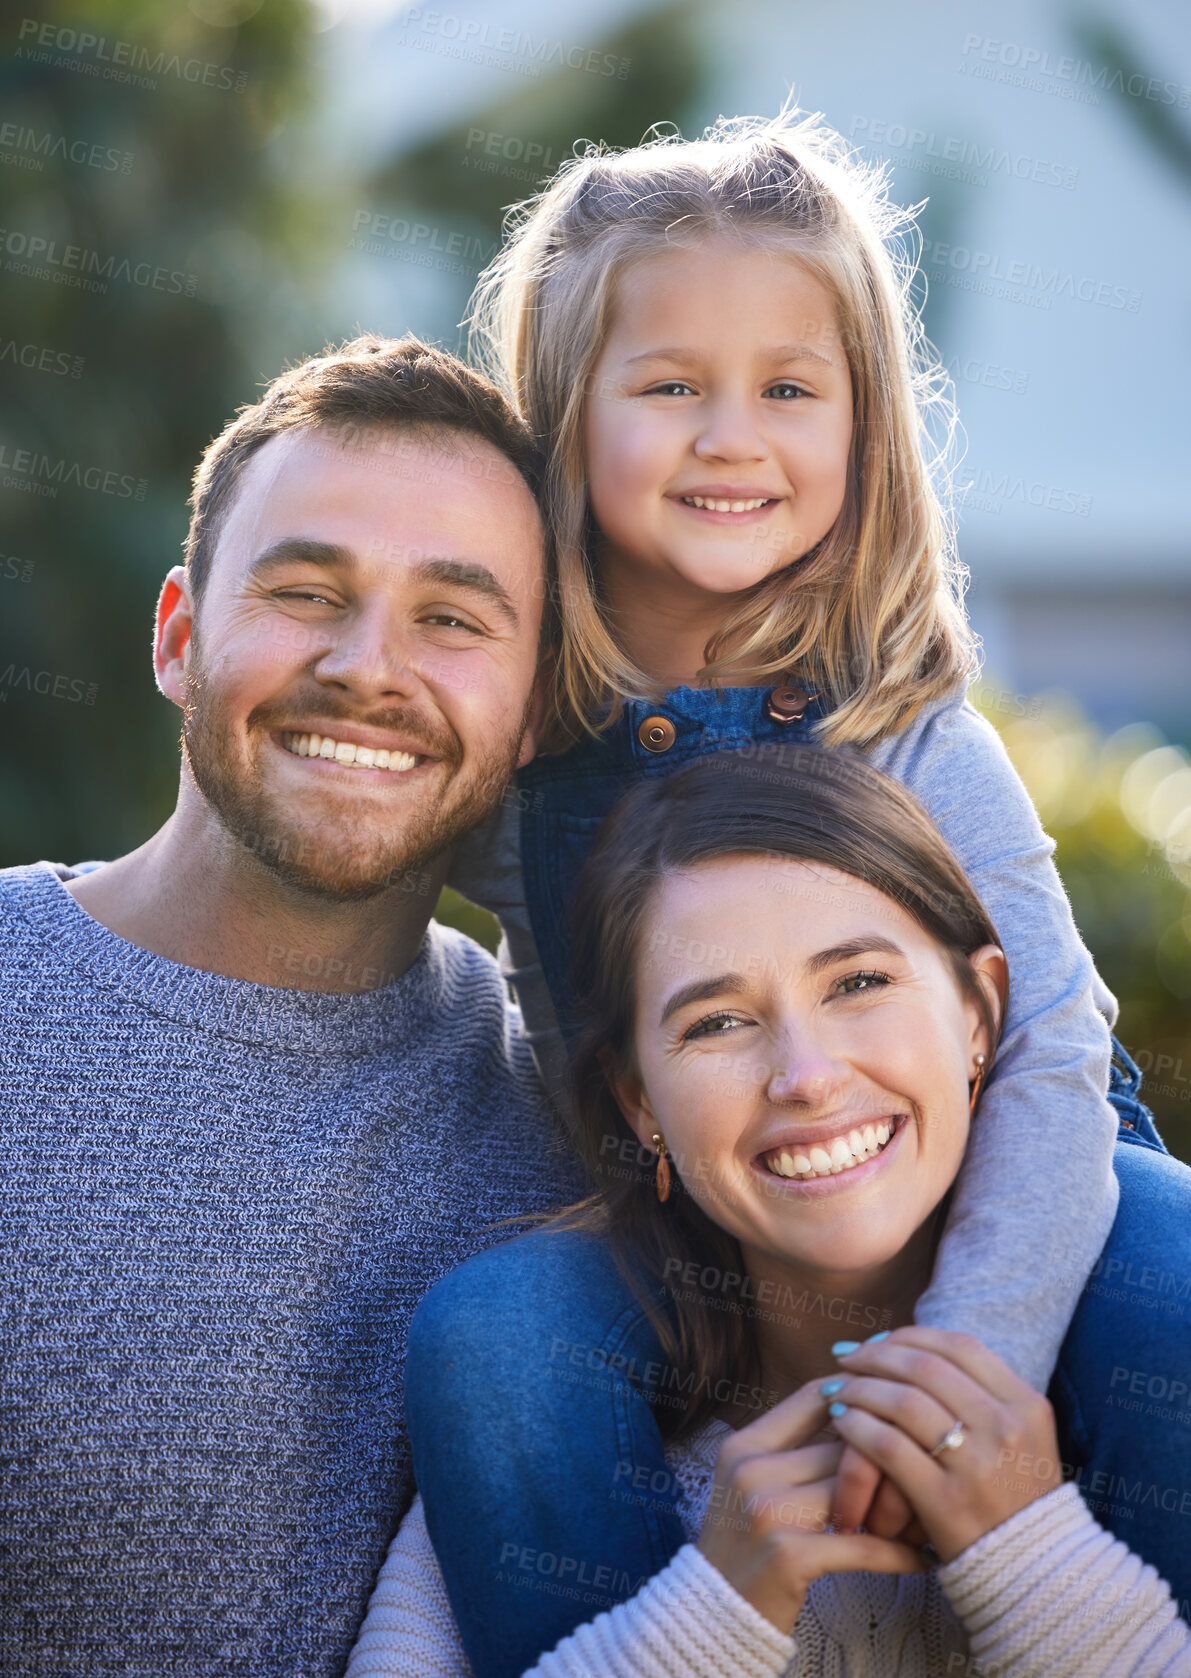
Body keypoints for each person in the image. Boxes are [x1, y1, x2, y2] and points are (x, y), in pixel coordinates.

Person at [405, 105, 1186, 1676]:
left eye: (786, 388)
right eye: (669, 386)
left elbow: (1042, 1050)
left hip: (1001, 1185)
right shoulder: (516, 741)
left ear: (860, 419)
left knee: (1173, 1275)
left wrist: (961, 1360)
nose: (729, 438)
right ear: (565, 415)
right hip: (693, 1217)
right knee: (487, 1335)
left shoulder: (905, 718)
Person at [0, 334, 587, 1677]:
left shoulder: (580, 1134)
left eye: (452, 616)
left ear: (538, 704)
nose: (366, 666)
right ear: (178, 634)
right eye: (307, 588)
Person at [349, 750, 1191, 1676]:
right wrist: (708, 1619)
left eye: (858, 983)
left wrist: (1038, 1567)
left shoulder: (1150, 1406)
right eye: (715, 1023)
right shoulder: (536, 1450)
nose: (806, 1078)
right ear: (641, 1106)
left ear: (982, 1013)